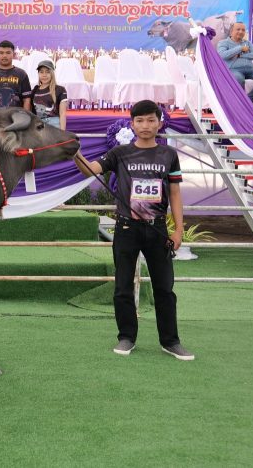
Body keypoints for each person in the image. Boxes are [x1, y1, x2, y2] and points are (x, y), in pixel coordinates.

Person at [74, 100, 194, 361]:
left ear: (159, 123)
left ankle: (170, 341)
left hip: (158, 230)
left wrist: (178, 230)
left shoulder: (168, 155)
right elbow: (89, 171)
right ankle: (126, 337)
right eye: (139, 120)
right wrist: (75, 152)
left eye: (151, 120)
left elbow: (175, 193)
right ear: (132, 124)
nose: (145, 125)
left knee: (165, 288)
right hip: (126, 228)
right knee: (123, 286)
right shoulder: (119, 153)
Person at [217, 22, 253, 104]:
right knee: (239, 79)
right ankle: (239, 103)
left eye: (243, 30)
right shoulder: (223, 43)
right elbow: (223, 55)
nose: (241, 32)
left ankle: (247, 101)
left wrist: (240, 55)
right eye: (238, 29)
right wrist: (240, 48)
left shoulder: (247, 42)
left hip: (249, 70)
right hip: (233, 70)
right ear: (231, 31)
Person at [0, 40, 32, 111]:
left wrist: (24, 115)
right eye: (1, 53)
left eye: (8, 53)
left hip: (16, 116)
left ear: (14, 55)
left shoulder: (21, 74)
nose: (4, 56)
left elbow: (27, 99)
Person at [32, 60, 68, 129]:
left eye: (47, 72)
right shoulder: (35, 90)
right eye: (41, 72)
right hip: (38, 125)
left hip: (54, 124)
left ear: (52, 73)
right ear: (38, 74)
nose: (44, 75)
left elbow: (63, 114)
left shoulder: (60, 90)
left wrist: (62, 132)